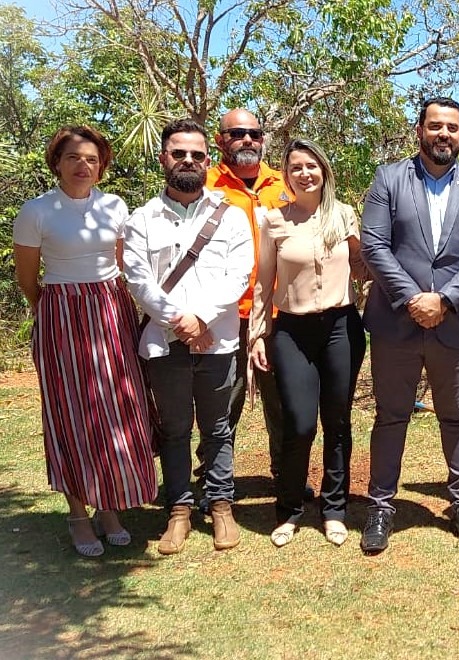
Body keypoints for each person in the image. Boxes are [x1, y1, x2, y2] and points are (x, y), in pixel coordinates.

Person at [360, 97, 459, 553]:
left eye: (452, 127)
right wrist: (413, 299)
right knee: (390, 416)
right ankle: (381, 507)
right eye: (436, 125)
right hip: (396, 322)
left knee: (457, 418)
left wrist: (444, 300)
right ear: (419, 129)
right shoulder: (388, 179)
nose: (444, 134)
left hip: (453, 322)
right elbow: (374, 246)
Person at [12, 126, 157, 557]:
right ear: (57, 162)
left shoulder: (114, 206)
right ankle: (78, 512)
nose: (83, 165)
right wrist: (55, 311)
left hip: (111, 310)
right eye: (74, 157)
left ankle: (108, 505)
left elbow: (121, 264)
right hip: (61, 313)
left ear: (102, 166)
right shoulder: (37, 211)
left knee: (116, 408)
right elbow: (27, 279)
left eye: (92, 159)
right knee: (70, 412)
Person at [123, 118, 254, 555]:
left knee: (217, 428)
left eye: (197, 155)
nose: (188, 161)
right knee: (175, 429)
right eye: (179, 153)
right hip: (164, 343)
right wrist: (180, 321)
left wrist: (201, 318)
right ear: (164, 158)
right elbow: (138, 279)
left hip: (218, 342)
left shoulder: (230, 217)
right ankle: (178, 509)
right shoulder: (142, 219)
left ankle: (220, 504)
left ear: (208, 160)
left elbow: (239, 275)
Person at [249, 139, 366, 548]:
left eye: (311, 165)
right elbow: (263, 282)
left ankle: (334, 510)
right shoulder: (273, 221)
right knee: (299, 424)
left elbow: (363, 266)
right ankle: (290, 509)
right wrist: (258, 334)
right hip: (291, 331)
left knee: (338, 422)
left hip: (340, 327)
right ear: (286, 175)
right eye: (296, 167)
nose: (304, 173)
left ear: (324, 170)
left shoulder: (344, 215)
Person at [206, 108, 294, 502]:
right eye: (237, 133)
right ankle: (214, 484)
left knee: (284, 402)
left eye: (254, 134)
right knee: (223, 403)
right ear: (220, 139)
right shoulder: (206, 185)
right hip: (225, 314)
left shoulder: (284, 183)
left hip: (279, 314)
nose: (247, 140)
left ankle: (288, 476)